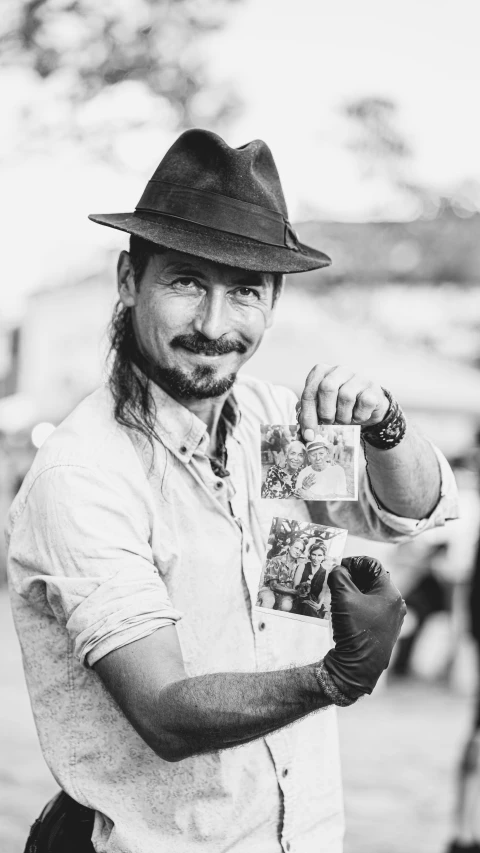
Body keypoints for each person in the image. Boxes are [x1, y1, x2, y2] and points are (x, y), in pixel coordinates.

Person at [6, 129, 457, 853]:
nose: (215, 326)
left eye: (244, 291)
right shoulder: (85, 474)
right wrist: (335, 676)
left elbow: (405, 510)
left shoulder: (274, 432)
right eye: (187, 282)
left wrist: (386, 424)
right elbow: (165, 712)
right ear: (130, 280)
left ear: (272, 303)